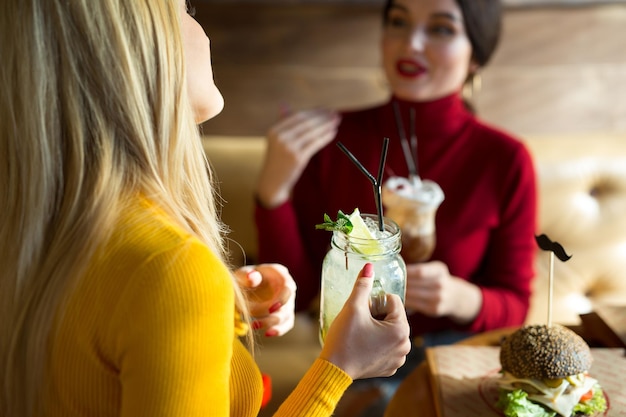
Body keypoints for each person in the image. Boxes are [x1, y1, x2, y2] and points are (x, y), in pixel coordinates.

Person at [0, 1, 411, 416]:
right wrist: (339, 369)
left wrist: (218, 310)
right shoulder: (170, 269)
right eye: (186, 9)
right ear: (142, 48)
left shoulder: (36, 230)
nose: (204, 31)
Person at [255, 0, 537, 414]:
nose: (412, 43)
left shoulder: (505, 159)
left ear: (476, 53)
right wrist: (273, 190)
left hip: (454, 357)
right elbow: (295, 294)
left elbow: (516, 303)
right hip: (358, 361)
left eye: (440, 29)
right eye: (399, 22)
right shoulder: (333, 142)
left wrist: (461, 298)